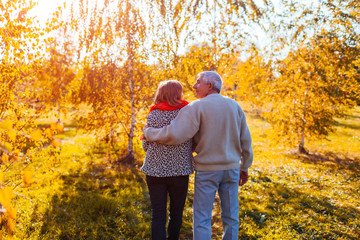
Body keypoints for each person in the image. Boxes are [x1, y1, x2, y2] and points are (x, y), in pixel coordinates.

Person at [143, 71, 253, 240]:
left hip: (207, 170)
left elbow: (174, 135)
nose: (194, 86)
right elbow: (246, 140)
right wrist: (244, 167)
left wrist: (149, 134)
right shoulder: (234, 105)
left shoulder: (196, 106)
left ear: (209, 86)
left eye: (198, 82)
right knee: (231, 217)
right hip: (231, 169)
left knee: (202, 218)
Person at [141, 80, 194, 240]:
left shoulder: (153, 114)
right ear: (178, 93)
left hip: (154, 171)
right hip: (180, 171)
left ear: (161, 93)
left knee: (158, 215)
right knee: (176, 214)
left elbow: (145, 145)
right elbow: (193, 141)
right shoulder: (187, 113)